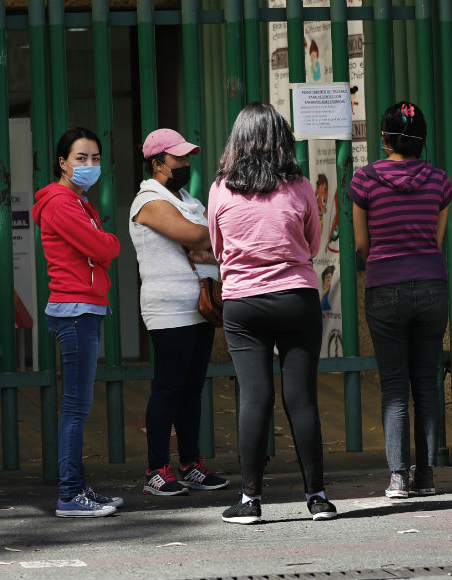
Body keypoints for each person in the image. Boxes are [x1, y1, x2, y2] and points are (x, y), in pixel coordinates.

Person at [208, 102, 337, 524]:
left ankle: (249, 501)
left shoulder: (221, 188)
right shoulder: (298, 186)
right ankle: (317, 497)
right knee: (301, 397)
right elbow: (314, 243)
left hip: (243, 303)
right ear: (280, 139)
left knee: (254, 396)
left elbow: (217, 248)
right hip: (295, 297)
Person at [349, 101, 452, 499]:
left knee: (394, 386)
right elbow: (436, 240)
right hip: (431, 284)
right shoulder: (440, 181)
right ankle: (426, 475)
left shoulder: (365, 180)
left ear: (384, 138)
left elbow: (361, 243)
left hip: (385, 286)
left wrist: (383, 261)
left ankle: (398, 477)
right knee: (427, 382)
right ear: (422, 138)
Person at [129, 128, 229, 496]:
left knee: (191, 389)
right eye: (178, 158)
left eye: (188, 157)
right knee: (168, 388)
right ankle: (157, 468)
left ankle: (191, 464)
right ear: (157, 163)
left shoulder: (186, 198)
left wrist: (206, 237)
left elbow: (207, 237)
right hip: (168, 308)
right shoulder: (148, 201)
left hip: (200, 305)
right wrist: (206, 236)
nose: (186, 164)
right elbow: (200, 236)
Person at [33, 127, 123, 517]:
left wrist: (103, 244)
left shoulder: (75, 200)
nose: (89, 165)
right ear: (62, 162)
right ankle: (69, 495)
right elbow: (104, 247)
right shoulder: (60, 202)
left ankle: (77, 488)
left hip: (83, 307)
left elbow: (99, 247)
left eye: (95, 158)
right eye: (81, 158)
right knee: (75, 407)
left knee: (77, 405)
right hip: (75, 309)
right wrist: (107, 243)